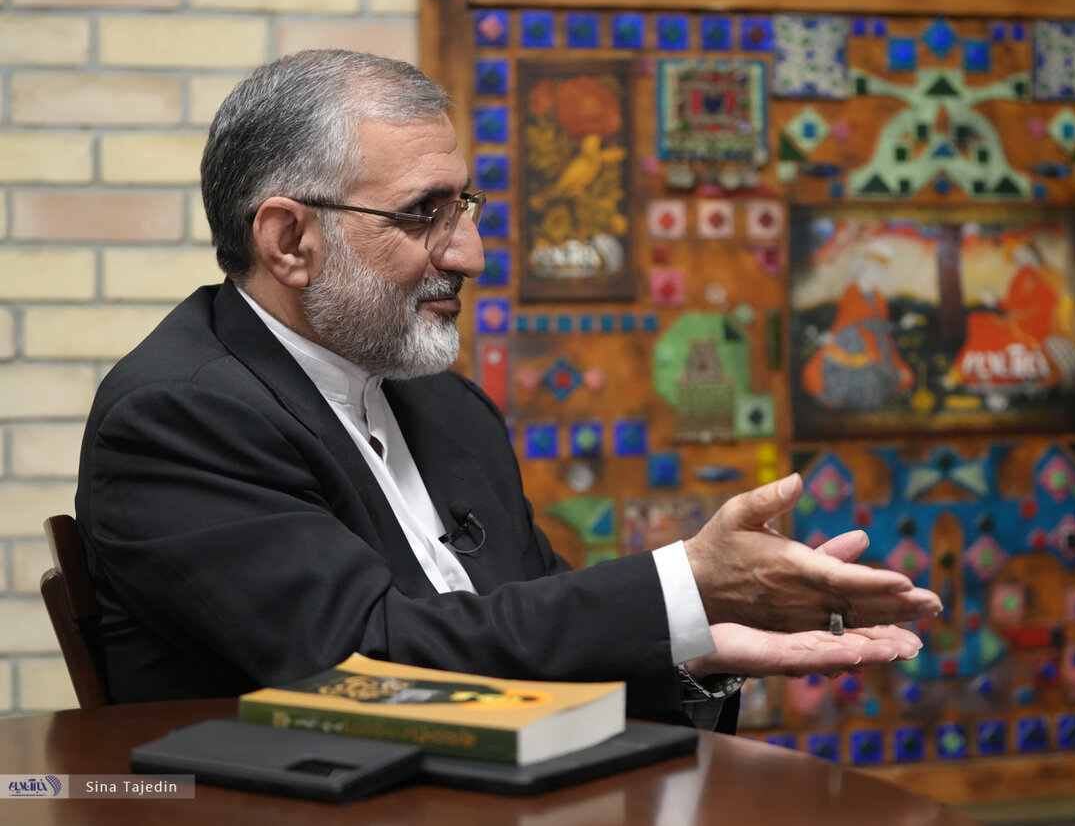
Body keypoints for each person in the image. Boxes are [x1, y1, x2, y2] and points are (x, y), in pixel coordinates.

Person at [74, 50, 941, 729]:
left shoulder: (448, 409)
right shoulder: (177, 417)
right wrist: (685, 587)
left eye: (465, 206)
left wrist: (700, 647)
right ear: (289, 240)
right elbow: (368, 669)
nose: (470, 253)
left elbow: (534, 642)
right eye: (424, 213)